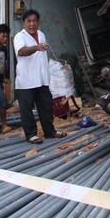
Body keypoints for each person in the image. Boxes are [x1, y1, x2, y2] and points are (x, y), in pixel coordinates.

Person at [14, 9, 66, 144]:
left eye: (34, 21)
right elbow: (21, 51)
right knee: (27, 109)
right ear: (24, 23)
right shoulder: (20, 36)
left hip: (42, 80)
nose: (32, 24)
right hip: (26, 81)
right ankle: (31, 134)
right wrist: (36, 47)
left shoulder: (41, 35)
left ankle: (50, 131)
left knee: (46, 107)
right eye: (28, 21)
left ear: (38, 22)